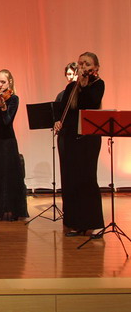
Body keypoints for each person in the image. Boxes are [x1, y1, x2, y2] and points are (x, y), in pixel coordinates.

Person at [54, 52, 104, 237]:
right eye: (81, 63)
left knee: (87, 180)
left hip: (88, 139)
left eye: (87, 64)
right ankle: (74, 222)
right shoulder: (71, 87)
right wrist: (57, 121)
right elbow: (62, 110)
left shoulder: (98, 85)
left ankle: (92, 223)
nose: (83, 67)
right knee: (71, 180)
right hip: (70, 139)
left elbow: (91, 102)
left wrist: (83, 85)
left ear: (95, 68)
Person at [0, 69, 28, 221]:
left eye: (3, 82)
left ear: (10, 82)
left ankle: (9, 209)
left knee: (7, 174)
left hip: (7, 141)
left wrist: (3, 107)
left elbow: (7, 121)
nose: (0, 85)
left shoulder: (13, 99)